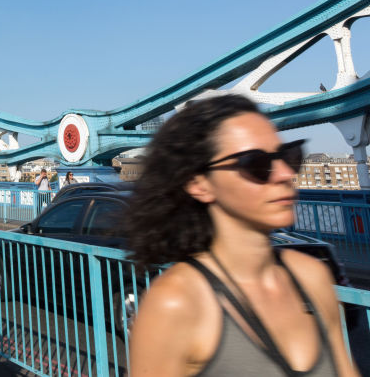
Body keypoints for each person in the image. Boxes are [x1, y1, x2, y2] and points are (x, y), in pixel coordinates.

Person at [127, 95, 358, 376]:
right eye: (256, 164)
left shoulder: (313, 277)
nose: (285, 173)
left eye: (288, 156)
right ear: (199, 184)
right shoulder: (175, 304)